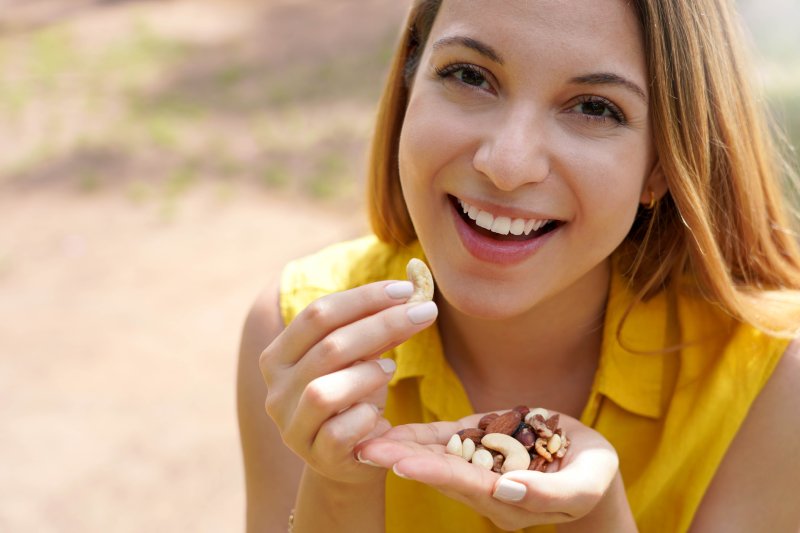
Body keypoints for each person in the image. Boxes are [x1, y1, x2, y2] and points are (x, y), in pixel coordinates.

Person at [237, 0, 800, 531]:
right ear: (410, 83)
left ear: (660, 166)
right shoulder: (305, 338)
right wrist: (340, 482)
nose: (507, 164)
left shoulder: (773, 380)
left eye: (594, 108)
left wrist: (596, 519)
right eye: (469, 75)